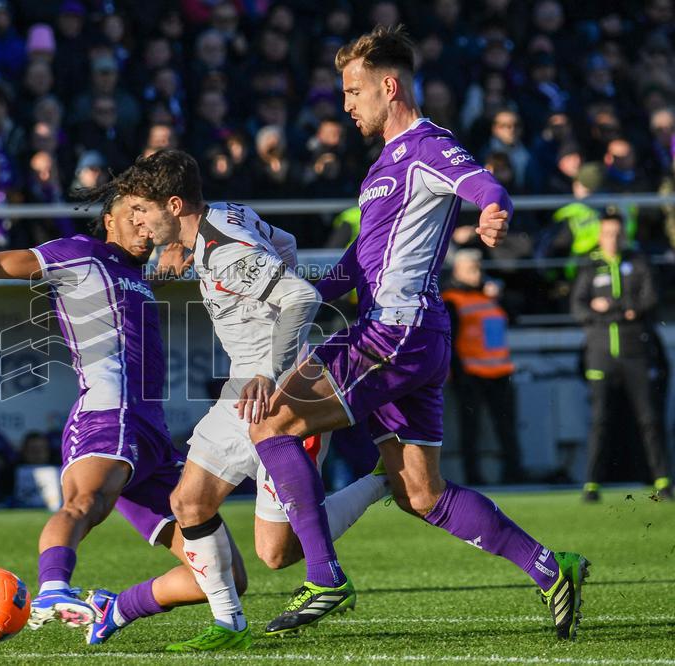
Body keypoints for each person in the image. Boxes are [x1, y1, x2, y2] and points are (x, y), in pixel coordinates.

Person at [238, 26, 587, 640]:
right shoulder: (382, 166)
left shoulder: (426, 145)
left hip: (391, 335)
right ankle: (550, 567)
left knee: (269, 423)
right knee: (420, 493)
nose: (346, 104)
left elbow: (482, 184)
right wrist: (297, 293)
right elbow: (356, 263)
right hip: (410, 337)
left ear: (389, 86)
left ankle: (324, 576)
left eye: (353, 90)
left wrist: (494, 210)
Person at [0, 193, 244, 642]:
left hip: (152, 435)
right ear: (108, 221)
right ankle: (52, 588)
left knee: (226, 576)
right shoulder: (78, 253)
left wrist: (162, 270)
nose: (143, 227)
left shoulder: (133, 274)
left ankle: (114, 606)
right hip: (107, 412)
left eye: (147, 218)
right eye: (131, 216)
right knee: (85, 504)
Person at [105, 149, 389, 651]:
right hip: (242, 392)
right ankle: (229, 623)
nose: (141, 224)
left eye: (144, 211)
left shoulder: (226, 253)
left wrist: (268, 366)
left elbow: (300, 296)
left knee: (276, 554)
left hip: (280, 395)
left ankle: (382, 482)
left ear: (173, 205)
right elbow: (287, 243)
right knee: (188, 502)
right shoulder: (226, 215)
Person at [570, 212, 671, 501]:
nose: (612, 240)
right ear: (600, 236)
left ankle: (663, 481)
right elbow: (578, 308)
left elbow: (649, 299)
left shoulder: (638, 262)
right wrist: (615, 311)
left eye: (617, 234)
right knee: (601, 420)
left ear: (624, 235)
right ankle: (592, 485)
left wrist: (613, 306)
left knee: (649, 418)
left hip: (635, 352)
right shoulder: (590, 266)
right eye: (607, 234)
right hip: (601, 354)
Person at [443, 249, 523, 485]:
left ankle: (513, 473)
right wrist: (457, 372)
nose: (477, 273)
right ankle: (473, 476)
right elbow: (451, 339)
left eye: (478, 267)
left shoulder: (490, 295)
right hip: (470, 372)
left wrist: (500, 297)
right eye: (471, 268)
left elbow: (515, 315)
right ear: (458, 270)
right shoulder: (451, 299)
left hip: (500, 371)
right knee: (471, 429)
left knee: (506, 427)